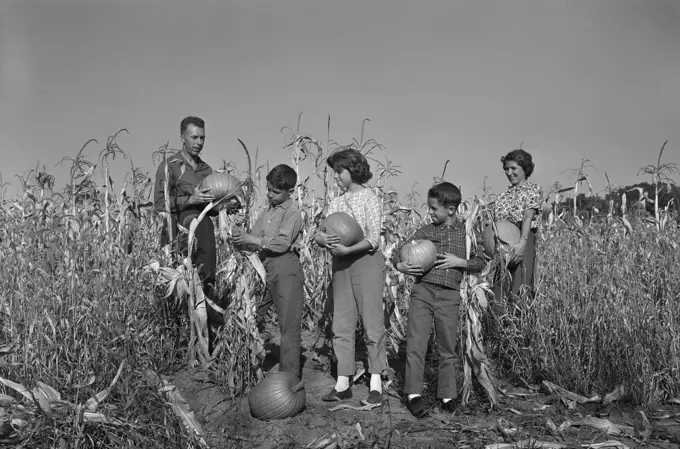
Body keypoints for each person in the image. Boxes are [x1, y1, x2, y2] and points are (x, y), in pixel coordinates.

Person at [392, 182, 486, 418]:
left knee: (447, 348)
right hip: (423, 291)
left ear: (451, 209)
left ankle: (446, 395)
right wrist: (399, 264)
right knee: (416, 344)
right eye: (429, 207)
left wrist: (460, 262)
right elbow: (399, 251)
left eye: (434, 208)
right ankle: (413, 395)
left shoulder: (465, 234)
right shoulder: (425, 231)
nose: (430, 212)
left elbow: (480, 261)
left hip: (449, 294)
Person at [314, 147, 387, 405]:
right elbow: (321, 231)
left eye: (339, 171)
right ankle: (343, 382)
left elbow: (374, 238)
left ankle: (376, 381)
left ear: (354, 170)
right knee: (341, 324)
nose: (335, 177)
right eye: (334, 172)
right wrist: (321, 238)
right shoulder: (335, 202)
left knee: (371, 323)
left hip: (366, 261)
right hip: (342, 264)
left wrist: (347, 249)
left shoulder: (369, 198)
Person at [153, 116, 223, 348]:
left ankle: (207, 339)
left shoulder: (206, 170)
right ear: (182, 137)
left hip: (204, 232)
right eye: (194, 137)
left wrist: (223, 205)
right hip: (180, 231)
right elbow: (160, 205)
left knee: (207, 280)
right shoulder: (169, 166)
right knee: (183, 282)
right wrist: (189, 199)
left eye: (202, 137)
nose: (199, 142)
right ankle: (182, 341)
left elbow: (212, 210)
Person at [231, 164, 305, 379]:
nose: (270, 194)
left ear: (289, 192)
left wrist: (252, 239)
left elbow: (282, 244)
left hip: (286, 269)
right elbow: (253, 240)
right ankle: (246, 366)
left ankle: (288, 379)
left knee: (288, 326)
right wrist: (237, 234)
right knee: (251, 315)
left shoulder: (293, 214)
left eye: (276, 192)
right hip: (262, 269)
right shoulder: (266, 212)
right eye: (268, 189)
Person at [491, 149, 543, 302]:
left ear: (525, 168)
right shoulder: (502, 197)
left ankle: (519, 324)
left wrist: (522, 241)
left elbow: (528, 216)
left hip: (523, 236)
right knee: (499, 288)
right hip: (502, 244)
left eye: (513, 168)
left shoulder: (533, 189)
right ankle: (499, 323)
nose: (509, 172)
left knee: (520, 288)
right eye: (506, 169)